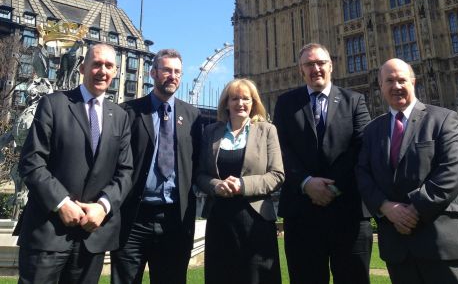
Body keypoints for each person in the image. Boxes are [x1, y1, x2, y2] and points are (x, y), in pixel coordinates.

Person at [17, 43, 133, 284]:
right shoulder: (54, 104)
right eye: (97, 64)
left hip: (92, 236)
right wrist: (61, 203)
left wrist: (103, 206)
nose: (102, 70)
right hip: (48, 231)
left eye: (109, 66)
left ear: (115, 72)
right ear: (82, 68)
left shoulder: (120, 117)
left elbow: (125, 172)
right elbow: (32, 162)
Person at [356, 58, 458, 283]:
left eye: (401, 80)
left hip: (441, 242)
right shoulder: (372, 131)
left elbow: (452, 173)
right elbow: (363, 174)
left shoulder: (443, 119)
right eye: (389, 81)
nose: (396, 86)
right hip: (398, 250)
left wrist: (414, 209)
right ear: (380, 87)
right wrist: (386, 207)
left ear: (413, 82)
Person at [273, 42, 372, 284]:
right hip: (301, 212)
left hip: (348, 210)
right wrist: (306, 182)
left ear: (331, 66)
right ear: (301, 70)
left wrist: (333, 187)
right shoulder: (286, 103)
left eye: (320, 63)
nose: (315, 68)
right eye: (309, 64)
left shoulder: (355, 100)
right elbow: (279, 149)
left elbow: (362, 148)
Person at [111, 48, 202, 284]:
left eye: (177, 72)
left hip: (175, 219)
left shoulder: (193, 116)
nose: (172, 76)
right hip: (134, 218)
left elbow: (199, 164)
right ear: (153, 73)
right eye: (166, 70)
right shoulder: (128, 112)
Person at [197, 78, 284, 284]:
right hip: (220, 219)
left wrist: (242, 185)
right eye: (234, 98)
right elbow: (200, 174)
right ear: (226, 103)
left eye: (246, 98)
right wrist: (216, 186)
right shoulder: (211, 132)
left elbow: (277, 175)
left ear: (254, 102)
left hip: (256, 220)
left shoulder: (266, 130)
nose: (240, 103)